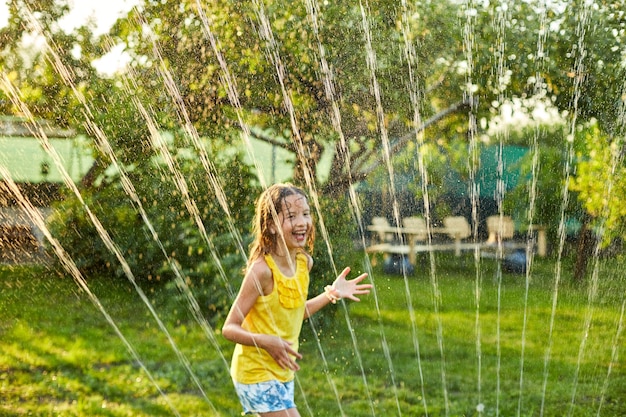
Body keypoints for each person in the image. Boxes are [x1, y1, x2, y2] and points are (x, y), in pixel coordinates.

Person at [222, 183, 372, 416]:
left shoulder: (304, 263)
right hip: (254, 372)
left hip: (282, 371)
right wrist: (267, 342)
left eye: (306, 214)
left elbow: (296, 312)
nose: (302, 222)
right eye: (292, 216)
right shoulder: (262, 271)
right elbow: (229, 328)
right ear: (271, 225)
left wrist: (331, 293)